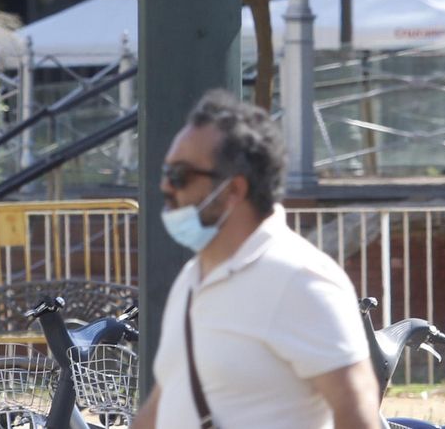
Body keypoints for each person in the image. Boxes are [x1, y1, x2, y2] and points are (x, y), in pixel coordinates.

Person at [130, 90, 380, 429]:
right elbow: (165, 399)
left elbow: (356, 407)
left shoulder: (300, 277)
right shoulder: (192, 277)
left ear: (233, 190)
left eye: (180, 175)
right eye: (165, 171)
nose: (164, 186)